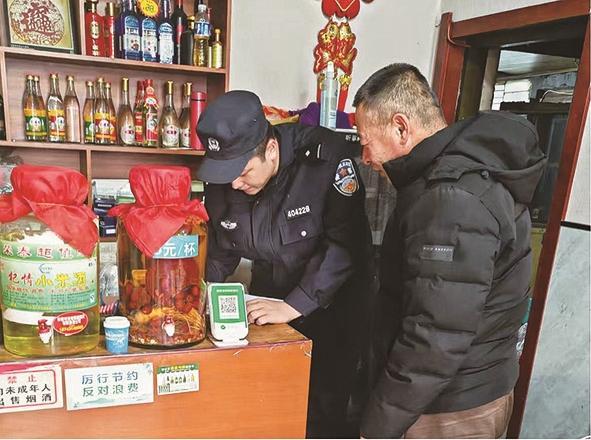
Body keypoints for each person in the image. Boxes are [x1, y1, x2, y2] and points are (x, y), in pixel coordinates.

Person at [353, 64, 546, 438]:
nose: (365, 157)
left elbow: (434, 339)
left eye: (365, 141)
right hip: (451, 393)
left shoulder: (451, 199)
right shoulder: (449, 178)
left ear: (401, 127)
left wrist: (377, 427)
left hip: (451, 407)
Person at [196, 90, 374, 438]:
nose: (234, 184)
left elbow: (343, 247)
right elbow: (221, 244)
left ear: (271, 150)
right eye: (226, 174)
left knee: (320, 407)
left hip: (332, 302)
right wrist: (202, 294)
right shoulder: (227, 176)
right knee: (267, 398)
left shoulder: (325, 161)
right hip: (271, 295)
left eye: (243, 172)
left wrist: (294, 306)